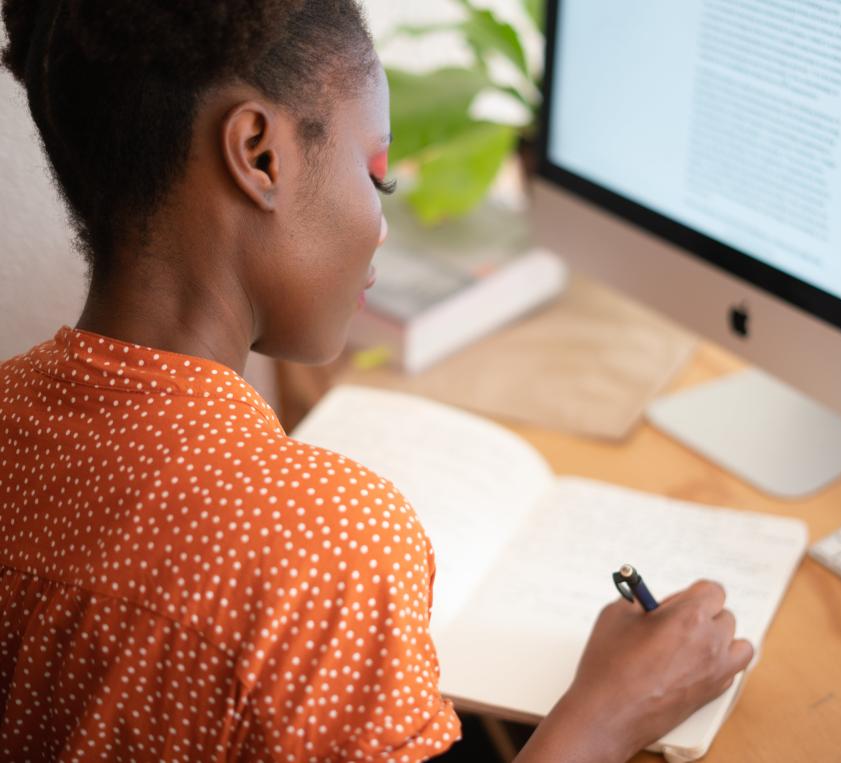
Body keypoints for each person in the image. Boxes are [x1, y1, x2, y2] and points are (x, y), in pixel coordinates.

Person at [0, 1, 753, 761]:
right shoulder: (327, 547)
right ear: (259, 154)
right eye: (376, 177)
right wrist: (605, 713)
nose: (382, 226)